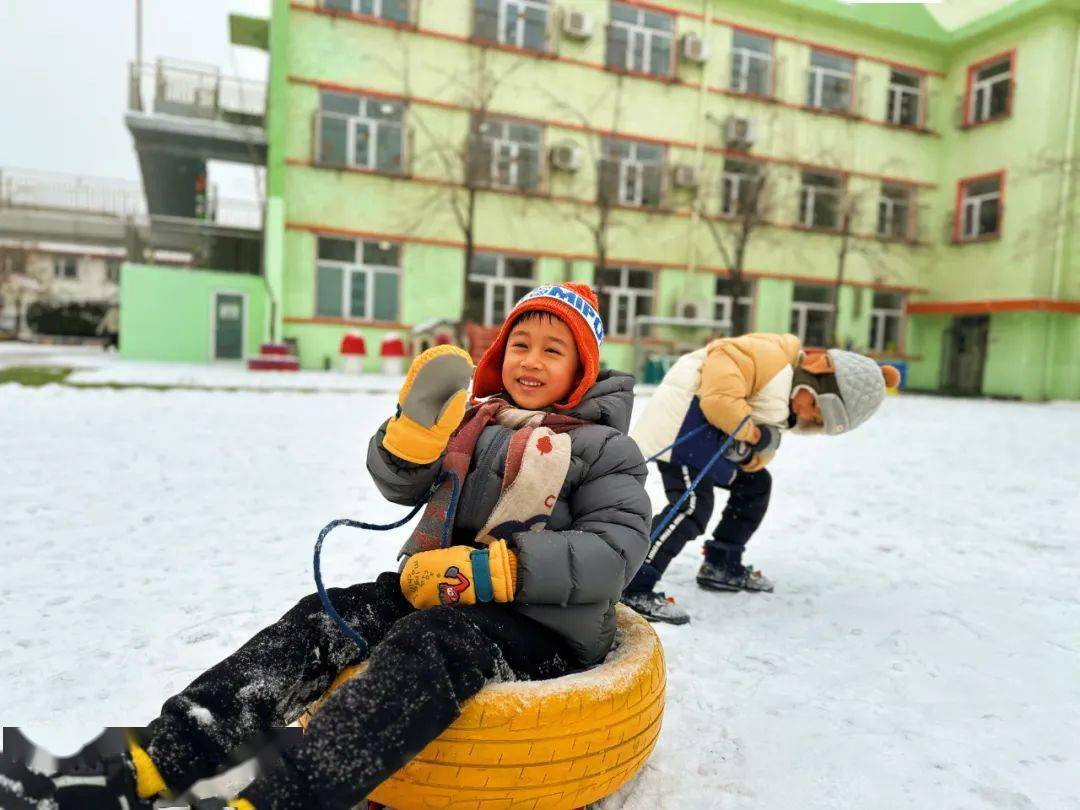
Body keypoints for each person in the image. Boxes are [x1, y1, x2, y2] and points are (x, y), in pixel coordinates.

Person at [1, 282, 651, 810]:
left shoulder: (603, 449)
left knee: (427, 647)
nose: (530, 362)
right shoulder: (477, 419)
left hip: (538, 627)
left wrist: (502, 571)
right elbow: (403, 487)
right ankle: (153, 760)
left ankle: (280, 802)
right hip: (443, 590)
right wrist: (412, 442)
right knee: (328, 616)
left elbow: (619, 550)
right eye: (521, 344)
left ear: (582, 369)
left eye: (552, 350)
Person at [622, 333, 900, 625]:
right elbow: (720, 385)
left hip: (712, 439)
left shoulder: (786, 396)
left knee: (755, 485)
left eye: (817, 421)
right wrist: (752, 433)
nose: (808, 415)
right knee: (692, 506)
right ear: (819, 370)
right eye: (816, 406)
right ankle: (634, 582)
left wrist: (757, 452)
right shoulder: (770, 356)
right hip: (683, 427)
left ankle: (722, 563)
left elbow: (767, 433)